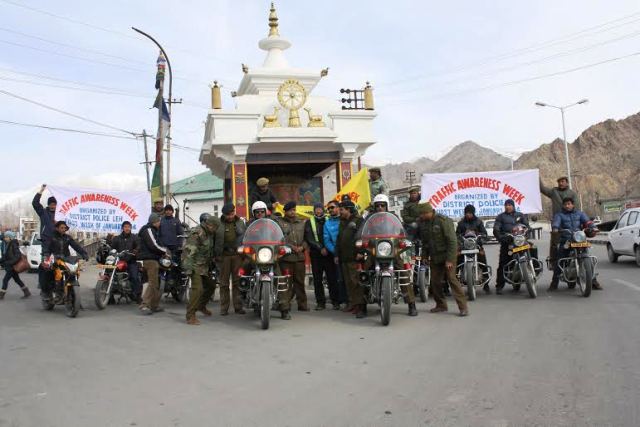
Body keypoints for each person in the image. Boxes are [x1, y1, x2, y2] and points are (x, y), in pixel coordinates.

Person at [368, 194, 417, 316]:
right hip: (375, 250)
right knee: (364, 273)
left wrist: (404, 240)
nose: (380, 208)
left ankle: (411, 304)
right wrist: (361, 242)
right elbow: (363, 232)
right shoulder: (370, 219)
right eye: (377, 205)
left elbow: (401, 231)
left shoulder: (393, 218)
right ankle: (362, 306)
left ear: (386, 206)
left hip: (392, 250)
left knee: (403, 274)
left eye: (382, 205)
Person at [417, 203, 469, 316]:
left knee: (451, 279)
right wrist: (425, 256)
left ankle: (463, 307)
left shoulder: (443, 221)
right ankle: (441, 305)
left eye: (422, 214)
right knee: (435, 282)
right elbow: (425, 242)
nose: (420, 217)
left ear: (427, 212)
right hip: (435, 257)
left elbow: (452, 241)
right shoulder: (424, 224)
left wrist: (450, 259)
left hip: (447, 255)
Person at [549, 197, 601, 291]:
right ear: (563, 206)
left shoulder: (579, 214)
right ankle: (554, 283)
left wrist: (593, 226)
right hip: (566, 239)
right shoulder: (559, 215)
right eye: (565, 204)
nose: (567, 206)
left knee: (588, 258)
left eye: (569, 204)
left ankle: (593, 281)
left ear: (573, 205)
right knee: (560, 259)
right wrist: (555, 228)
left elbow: (587, 221)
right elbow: (556, 223)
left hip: (579, 238)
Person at [183, 215, 223, 325]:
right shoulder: (197, 233)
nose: (215, 230)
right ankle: (190, 315)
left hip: (203, 267)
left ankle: (201, 306)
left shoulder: (209, 233)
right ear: (210, 225)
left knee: (211, 285)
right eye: (215, 228)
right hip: (194, 266)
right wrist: (189, 269)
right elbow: (188, 252)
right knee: (198, 289)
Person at [540, 176, 579, 279]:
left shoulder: (572, 194)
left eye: (562, 181)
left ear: (567, 183)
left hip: (572, 225)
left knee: (583, 250)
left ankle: (591, 279)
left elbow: (578, 209)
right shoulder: (554, 192)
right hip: (558, 225)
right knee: (556, 248)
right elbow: (542, 189)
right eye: (559, 181)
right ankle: (555, 279)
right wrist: (537, 177)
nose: (560, 183)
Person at [43, 221, 89, 303]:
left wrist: (84, 253)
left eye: (65, 228)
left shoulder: (68, 237)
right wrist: (46, 255)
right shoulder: (51, 237)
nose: (64, 229)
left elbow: (76, 246)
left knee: (73, 272)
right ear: (57, 228)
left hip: (66, 259)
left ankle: (73, 295)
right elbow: (47, 247)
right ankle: (50, 292)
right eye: (62, 228)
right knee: (49, 272)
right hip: (55, 258)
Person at [304, 203, 338, 311]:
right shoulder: (310, 222)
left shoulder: (328, 220)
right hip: (316, 254)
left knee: (332, 278)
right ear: (314, 211)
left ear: (323, 210)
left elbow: (332, 235)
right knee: (317, 280)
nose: (318, 211)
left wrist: (328, 249)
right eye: (316, 209)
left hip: (329, 254)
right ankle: (320, 302)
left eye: (320, 209)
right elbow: (309, 238)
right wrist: (320, 248)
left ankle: (335, 301)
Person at [277, 201, 308, 319]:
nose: (293, 212)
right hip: (286, 259)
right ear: (285, 211)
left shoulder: (301, 223)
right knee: (286, 283)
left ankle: (302, 304)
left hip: (299, 257)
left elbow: (306, 239)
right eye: (290, 210)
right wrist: (290, 247)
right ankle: (286, 305)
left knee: (300, 282)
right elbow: (280, 239)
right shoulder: (280, 223)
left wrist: (302, 247)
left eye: (294, 210)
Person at [336, 200, 366, 318]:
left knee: (356, 282)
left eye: (342, 209)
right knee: (348, 282)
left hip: (355, 257)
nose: (340, 211)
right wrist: (336, 255)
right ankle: (352, 303)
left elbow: (362, 237)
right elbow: (339, 239)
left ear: (348, 209)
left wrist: (360, 252)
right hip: (344, 257)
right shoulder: (342, 222)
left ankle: (359, 305)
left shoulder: (359, 221)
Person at [493, 199, 529, 295]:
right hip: (508, 242)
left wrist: (528, 231)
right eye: (506, 205)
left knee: (533, 249)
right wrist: (501, 238)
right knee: (503, 263)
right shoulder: (501, 217)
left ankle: (534, 270)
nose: (507, 206)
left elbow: (527, 226)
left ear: (513, 206)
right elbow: (496, 229)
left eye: (509, 205)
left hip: (521, 241)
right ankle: (499, 286)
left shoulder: (520, 215)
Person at [138, 213, 170, 315]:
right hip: (149, 260)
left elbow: (158, 243)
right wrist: (165, 251)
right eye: (158, 221)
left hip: (153, 259)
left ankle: (154, 305)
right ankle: (144, 305)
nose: (160, 223)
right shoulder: (148, 230)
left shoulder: (154, 230)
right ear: (154, 221)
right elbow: (154, 245)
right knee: (152, 283)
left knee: (156, 283)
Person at [456, 204, 491, 294]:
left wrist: (480, 236)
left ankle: (486, 284)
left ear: (473, 213)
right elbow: (457, 235)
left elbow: (484, 233)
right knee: (457, 262)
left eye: (470, 213)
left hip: (477, 246)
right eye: (467, 213)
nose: (468, 214)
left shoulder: (478, 222)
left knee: (483, 262)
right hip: (464, 246)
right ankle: (455, 283)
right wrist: (460, 239)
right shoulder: (461, 223)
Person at [219, 203, 246, 315]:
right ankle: (224, 308)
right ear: (224, 215)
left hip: (237, 256)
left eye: (232, 214)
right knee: (224, 283)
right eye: (227, 215)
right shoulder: (219, 223)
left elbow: (246, 237)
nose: (230, 216)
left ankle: (238, 307)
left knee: (237, 282)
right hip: (224, 256)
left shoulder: (240, 222)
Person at [32, 184, 56, 296]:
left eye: (55, 204)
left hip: (58, 244)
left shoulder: (61, 214)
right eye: (51, 204)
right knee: (45, 266)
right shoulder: (43, 212)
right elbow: (35, 203)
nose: (53, 206)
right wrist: (41, 190)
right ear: (48, 204)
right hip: (46, 244)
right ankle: (43, 287)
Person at [323, 200, 346, 310]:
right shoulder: (327, 223)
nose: (330, 210)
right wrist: (335, 252)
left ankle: (351, 301)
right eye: (329, 208)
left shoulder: (344, 219)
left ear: (338, 208)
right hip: (335, 255)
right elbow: (327, 240)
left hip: (348, 254)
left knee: (349, 278)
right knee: (337, 279)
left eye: (332, 207)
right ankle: (337, 301)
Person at [111, 221, 142, 303]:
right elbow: (112, 247)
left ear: (131, 228)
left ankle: (138, 296)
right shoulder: (117, 238)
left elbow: (139, 245)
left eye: (128, 227)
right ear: (122, 228)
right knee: (111, 275)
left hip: (131, 261)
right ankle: (110, 297)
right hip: (119, 261)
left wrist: (136, 250)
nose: (127, 228)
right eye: (125, 227)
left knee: (134, 277)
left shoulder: (134, 237)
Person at [0, 231, 31, 299]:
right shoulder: (8, 244)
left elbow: (18, 255)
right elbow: (5, 256)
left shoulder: (13, 244)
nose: (5, 238)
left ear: (10, 238)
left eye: (6, 237)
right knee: (17, 280)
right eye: (5, 237)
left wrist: (10, 262)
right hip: (11, 266)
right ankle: (26, 292)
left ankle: (1, 295)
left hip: (12, 266)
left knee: (5, 280)